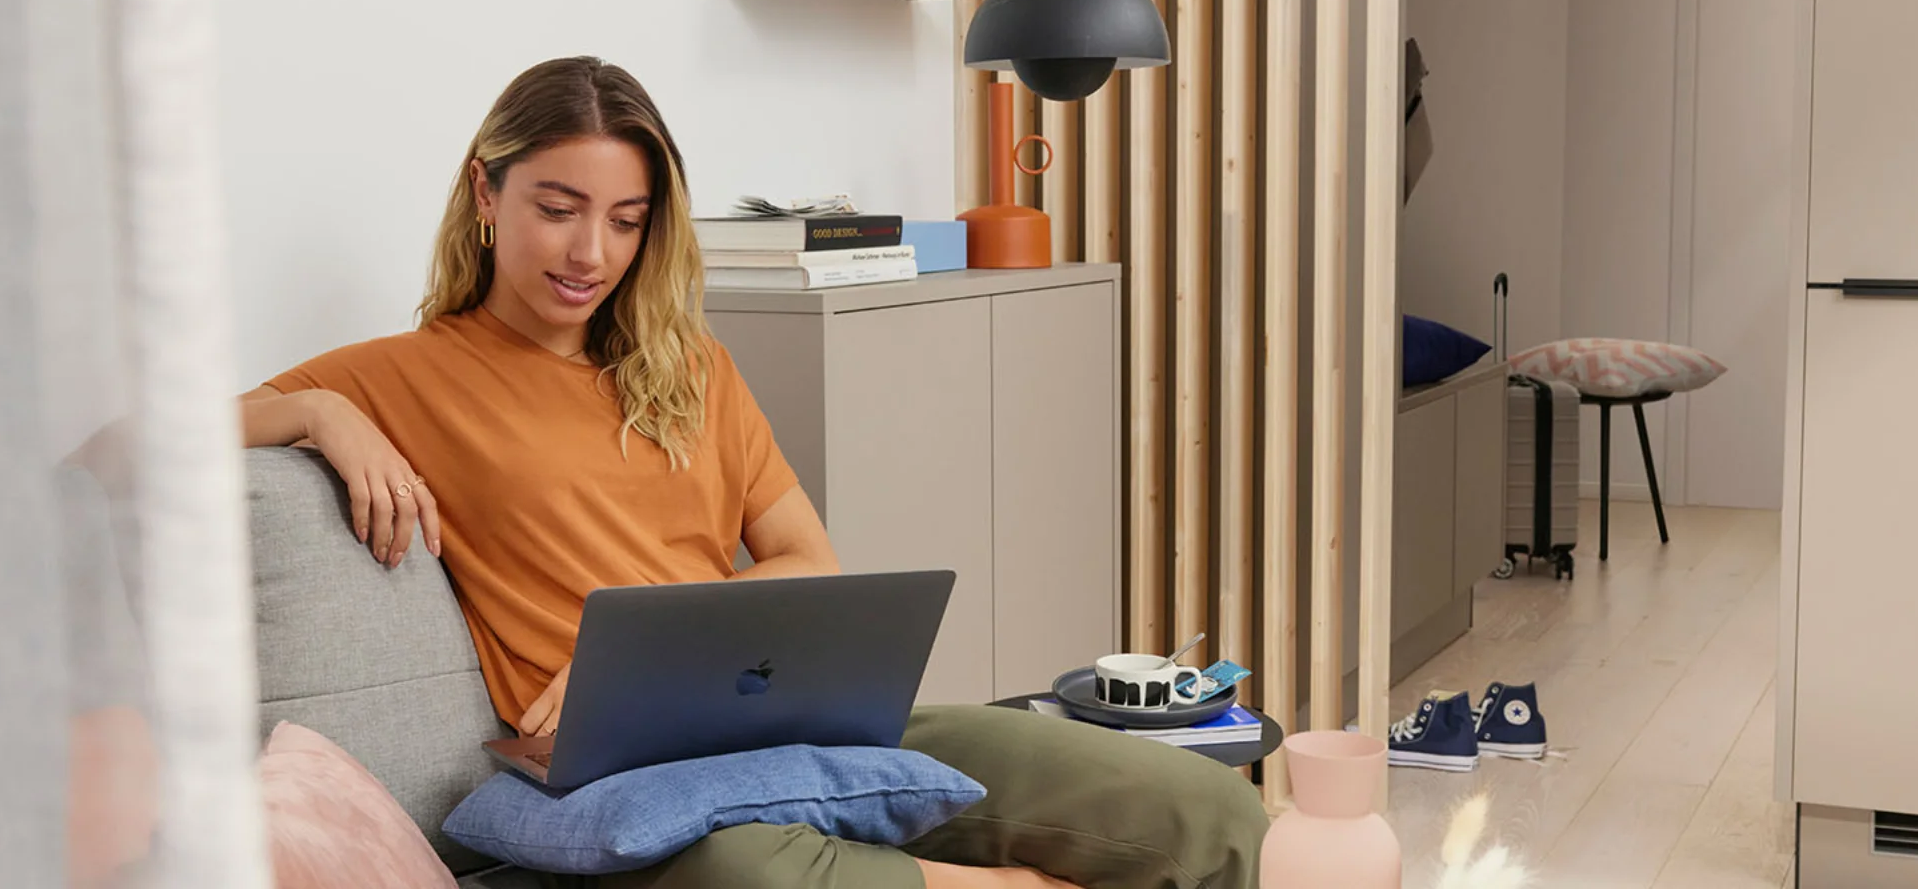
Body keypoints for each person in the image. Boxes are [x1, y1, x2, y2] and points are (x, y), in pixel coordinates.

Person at [238, 56, 1265, 889]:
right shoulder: (406, 374)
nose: (590, 252)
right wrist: (318, 412)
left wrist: (679, 644)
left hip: (791, 717)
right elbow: (120, 440)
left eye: (627, 219)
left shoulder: (692, 366)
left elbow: (803, 558)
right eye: (558, 207)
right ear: (484, 193)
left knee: (1201, 808)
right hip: (626, 780)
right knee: (756, 877)